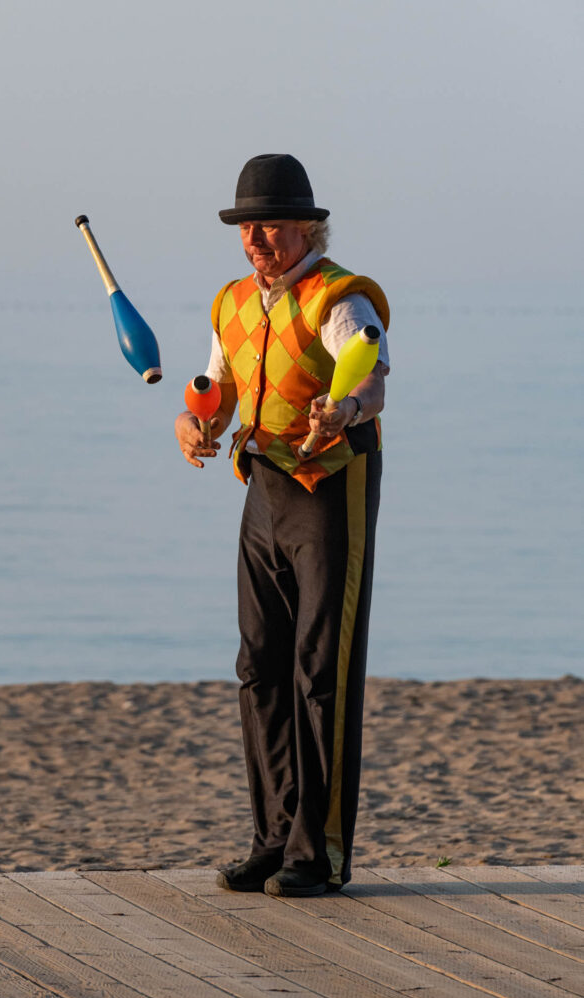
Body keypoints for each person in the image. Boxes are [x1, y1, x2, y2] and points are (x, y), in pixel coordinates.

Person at [174, 154, 390, 897]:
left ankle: (318, 853)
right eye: (246, 226)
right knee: (258, 667)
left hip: (330, 487)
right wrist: (194, 424)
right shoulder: (231, 302)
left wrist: (345, 408)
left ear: (307, 228)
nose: (257, 238)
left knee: (319, 671)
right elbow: (221, 388)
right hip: (262, 487)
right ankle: (272, 839)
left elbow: (370, 374)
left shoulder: (339, 297)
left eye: (271, 225)